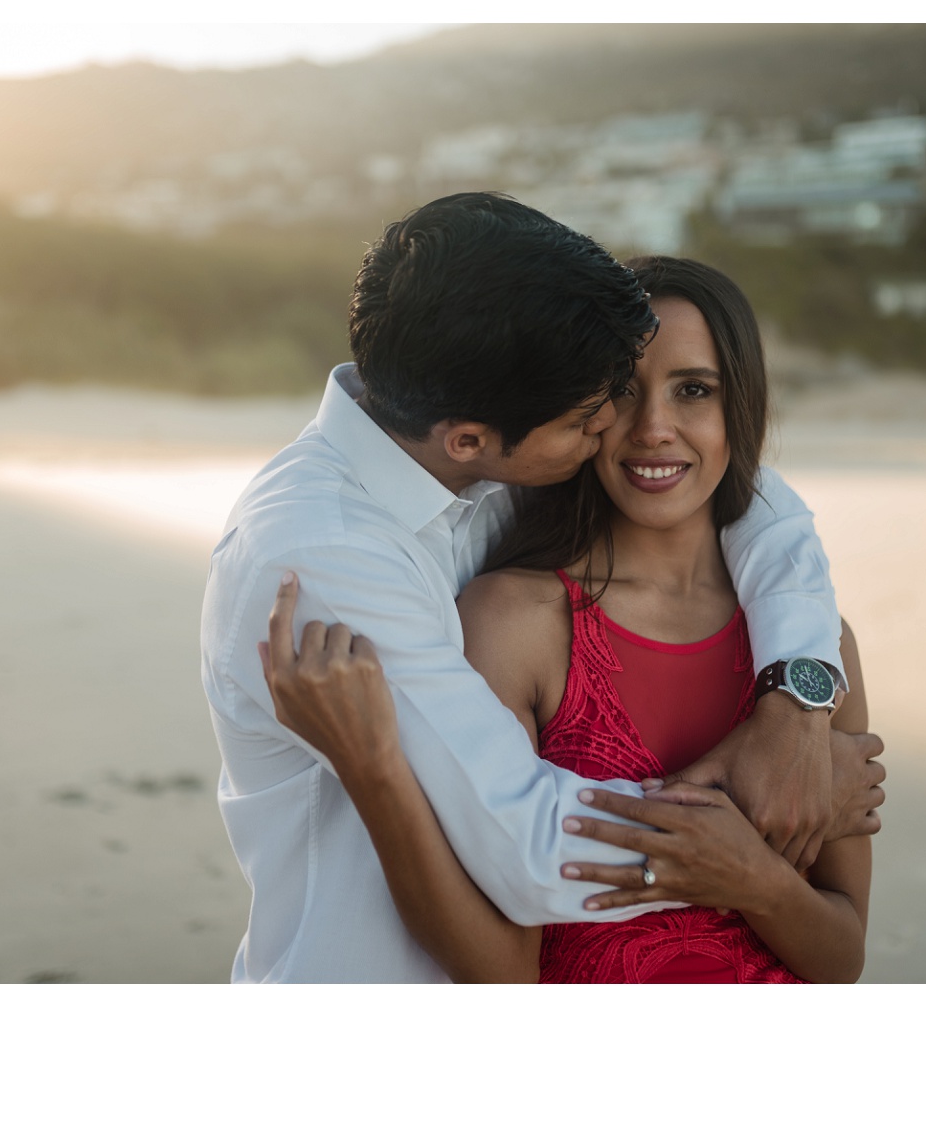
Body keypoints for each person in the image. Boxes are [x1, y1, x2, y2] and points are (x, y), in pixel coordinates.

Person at [202, 192, 885, 982]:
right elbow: (528, 845)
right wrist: (760, 810)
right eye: (597, 411)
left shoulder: (475, 462)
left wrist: (794, 706)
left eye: (689, 391)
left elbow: (765, 505)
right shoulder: (328, 555)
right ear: (472, 439)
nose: (626, 430)